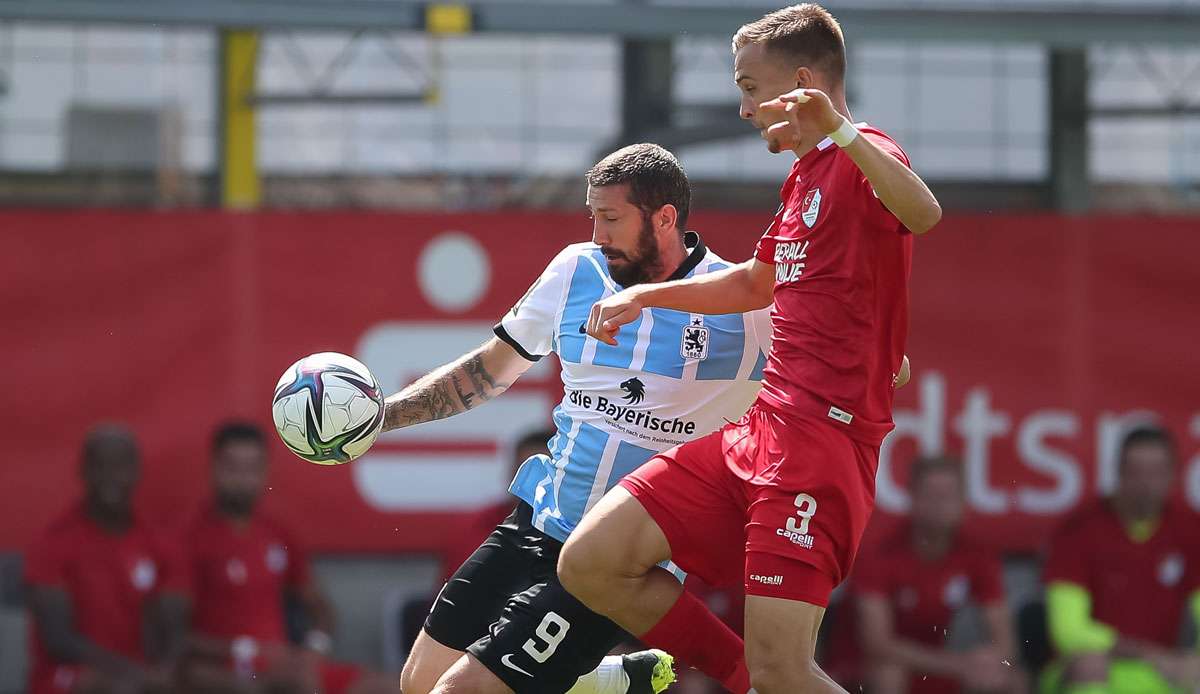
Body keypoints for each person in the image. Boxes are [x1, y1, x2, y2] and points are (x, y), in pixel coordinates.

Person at [561, 4, 941, 693]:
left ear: (802, 86)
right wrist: (646, 295)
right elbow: (757, 283)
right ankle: (744, 680)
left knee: (785, 671)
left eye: (749, 87)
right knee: (591, 560)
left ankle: (762, 681)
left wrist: (844, 131)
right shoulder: (803, 179)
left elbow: (924, 213)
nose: (742, 109)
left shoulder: (861, 156)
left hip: (819, 451)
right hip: (761, 432)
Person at [386, 142, 776, 694]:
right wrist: (383, 417)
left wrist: (874, 362)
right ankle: (599, 683)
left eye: (612, 218)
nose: (598, 234)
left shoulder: (742, 306)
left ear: (665, 219)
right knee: (418, 683)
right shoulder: (575, 270)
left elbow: (862, 363)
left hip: (615, 561)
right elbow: (489, 371)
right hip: (538, 521)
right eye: (593, 216)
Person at [180, 421, 391, 694]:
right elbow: (175, 639)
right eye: (233, 468)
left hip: (287, 667)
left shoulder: (276, 533)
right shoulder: (188, 538)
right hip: (230, 671)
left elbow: (319, 607)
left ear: (265, 471)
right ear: (214, 468)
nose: (243, 479)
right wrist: (245, 649)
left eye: (252, 468)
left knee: (387, 685)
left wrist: (315, 647)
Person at [24, 424, 188, 694]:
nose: (109, 476)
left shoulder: (158, 544)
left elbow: (174, 627)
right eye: (100, 466)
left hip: (137, 674)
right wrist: (133, 673)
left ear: (136, 471)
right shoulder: (53, 542)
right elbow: (58, 640)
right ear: (83, 471)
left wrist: (165, 671)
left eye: (120, 466)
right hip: (68, 675)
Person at [1042, 426, 1200, 694]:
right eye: (1136, 472)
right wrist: (1147, 653)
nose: (1145, 484)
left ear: (1173, 475)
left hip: (1161, 671)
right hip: (1097, 667)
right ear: (1118, 474)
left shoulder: (1188, 528)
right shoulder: (1081, 529)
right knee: (1088, 663)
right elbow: (1067, 629)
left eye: (1156, 473)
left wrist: (1192, 662)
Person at [854, 455, 1022, 694]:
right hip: (871, 666)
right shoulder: (881, 552)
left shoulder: (976, 552)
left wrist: (988, 660)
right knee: (889, 673)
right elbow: (877, 644)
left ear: (963, 501)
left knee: (1007, 678)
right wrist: (956, 665)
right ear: (912, 497)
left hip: (939, 664)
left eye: (948, 495)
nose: (940, 504)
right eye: (931, 495)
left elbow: (1006, 639)